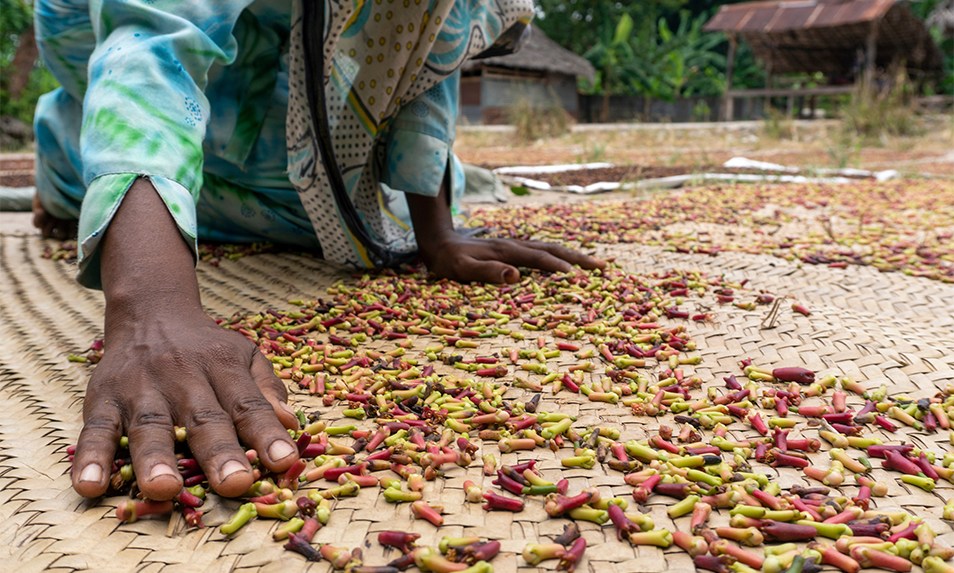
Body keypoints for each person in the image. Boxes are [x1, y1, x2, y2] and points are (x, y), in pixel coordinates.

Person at [32, 0, 604, 502]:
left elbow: (426, 39)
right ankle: (64, 141)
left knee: (336, 212)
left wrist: (437, 232)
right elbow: (152, 42)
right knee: (116, 182)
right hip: (132, 41)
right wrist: (151, 306)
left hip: (297, 68)